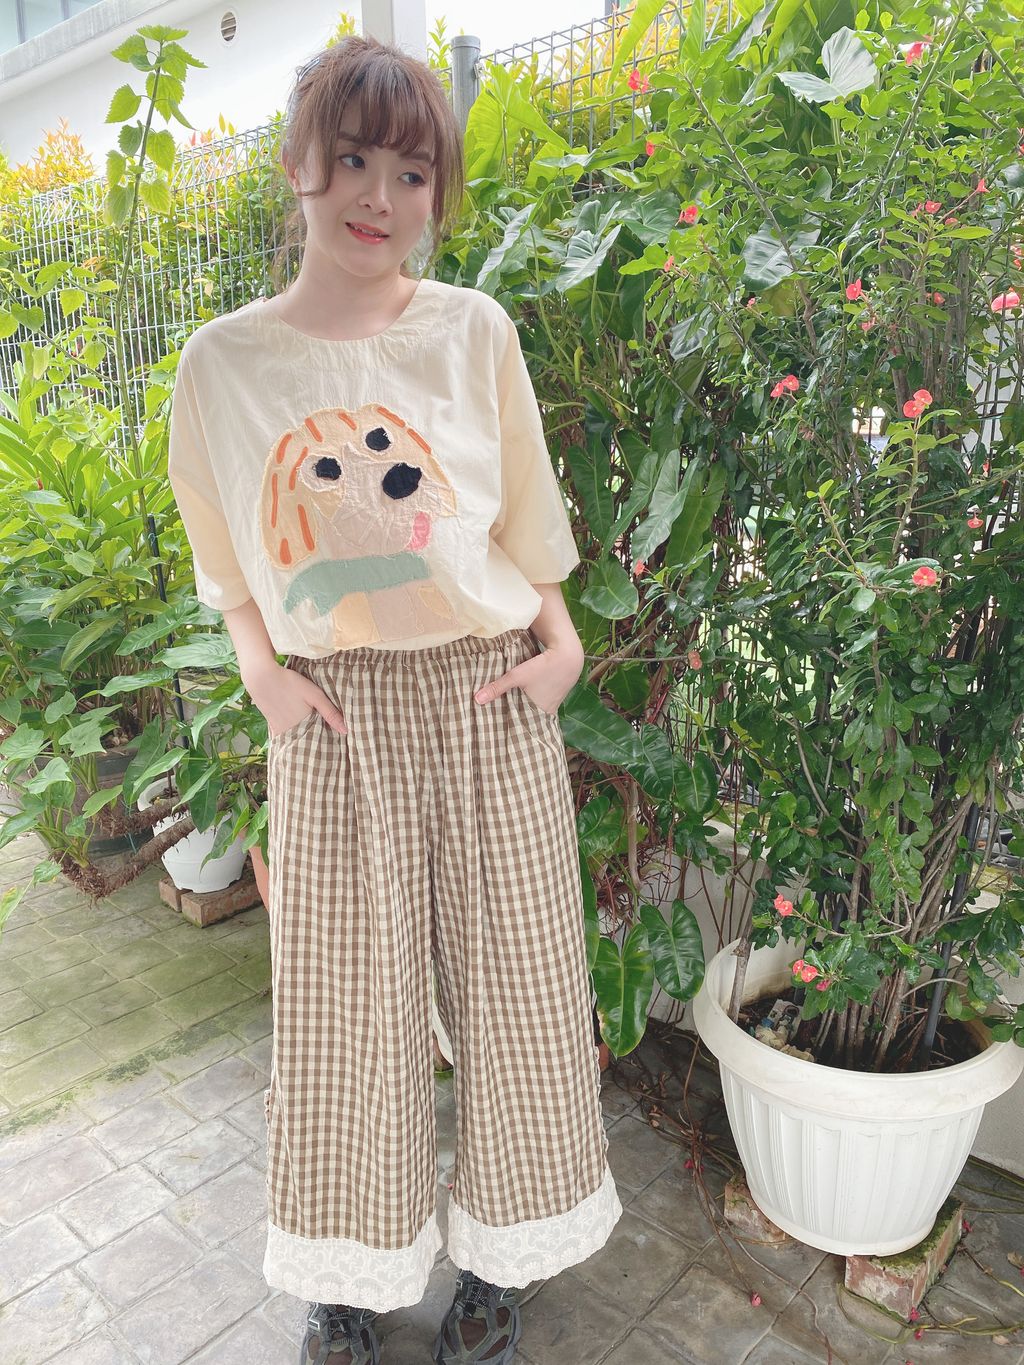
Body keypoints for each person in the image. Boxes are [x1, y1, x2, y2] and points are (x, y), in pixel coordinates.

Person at [167, 33, 622, 1365]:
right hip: (336, 717)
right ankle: (349, 1277)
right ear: (299, 164)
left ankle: (498, 1260)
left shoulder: (473, 330)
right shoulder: (223, 363)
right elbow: (220, 549)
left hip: (487, 695)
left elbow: (526, 512)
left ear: (437, 192)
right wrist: (262, 672)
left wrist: (563, 647)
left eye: (413, 171)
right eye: (355, 157)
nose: (380, 193)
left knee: (519, 994)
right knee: (345, 1014)